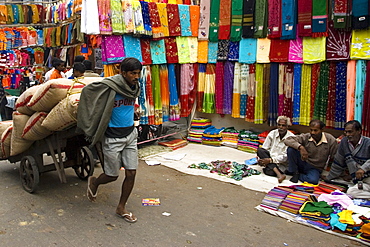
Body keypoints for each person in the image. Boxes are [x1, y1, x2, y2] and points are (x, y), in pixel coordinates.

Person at [77, 57, 142, 223]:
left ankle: (121, 207)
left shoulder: (135, 87)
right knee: (112, 175)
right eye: (133, 73)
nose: (136, 76)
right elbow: (88, 92)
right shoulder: (109, 85)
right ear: (123, 72)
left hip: (130, 135)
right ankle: (95, 182)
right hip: (112, 138)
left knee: (131, 172)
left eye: (138, 73)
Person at [325, 120, 370, 199]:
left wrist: (363, 169)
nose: (348, 135)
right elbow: (338, 162)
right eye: (346, 132)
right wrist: (329, 179)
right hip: (360, 181)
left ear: (359, 131)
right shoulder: (344, 142)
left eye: (350, 132)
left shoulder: (368, 142)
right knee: (350, 191)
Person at [284, 119, 338, 184]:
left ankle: (297, 174)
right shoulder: (307, 136)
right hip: (303, 162)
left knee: (313, 181)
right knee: (291, 149)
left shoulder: (330, 140)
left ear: (322, 129)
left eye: (315, 130)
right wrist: (301, 147)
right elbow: (287, 140)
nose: (312, 133)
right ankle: (294, 171)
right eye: (311, 130)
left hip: (315, 167)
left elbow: (335, 157)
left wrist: (331, 175)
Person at [257, 116, 295, 183]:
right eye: (279, 125)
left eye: (283, 125)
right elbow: (265, 148)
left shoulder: (291, 138)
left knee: (268, 171)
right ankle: (279, 174)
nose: (280, 127)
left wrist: (271, 160)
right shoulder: (272, 133)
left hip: (281, 164)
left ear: (287, 126)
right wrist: (261, 159)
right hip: (269, 159)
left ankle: (277, 172)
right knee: (260, 150)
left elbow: (285, 157)